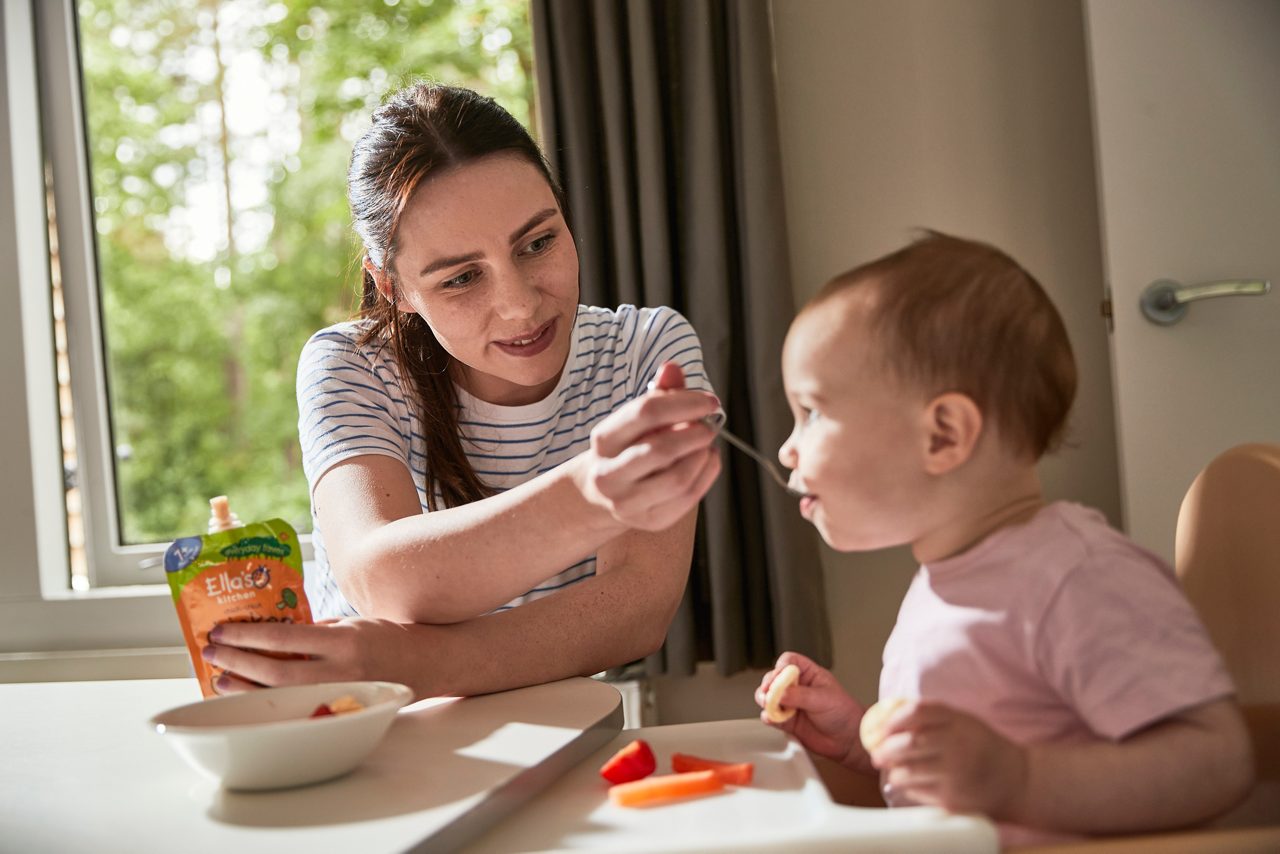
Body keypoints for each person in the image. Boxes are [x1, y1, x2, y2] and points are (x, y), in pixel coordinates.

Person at [201, 82, 722, 699]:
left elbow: (635, 613)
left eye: (539, 242)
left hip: (561, 727)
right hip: (371, 735)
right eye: (462, 278)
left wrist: (411, 662)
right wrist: (593, 493)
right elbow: (384, 582)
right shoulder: (351, 364)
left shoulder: (645, 350)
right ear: (392, 287)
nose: (520, 305)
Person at [754, 232, 1253, 845]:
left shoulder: (1079, 577)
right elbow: (964, 776)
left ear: (943, 435)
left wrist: (1018, 778)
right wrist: (863, 741)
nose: (786, 447)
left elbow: (1216, 764)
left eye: (813, 412)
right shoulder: (948, 579)